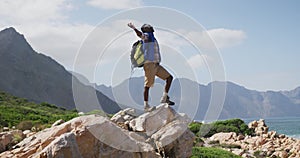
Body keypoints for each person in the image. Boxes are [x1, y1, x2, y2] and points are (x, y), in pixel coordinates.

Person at [128, 22, 175, 111]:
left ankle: (164, 98)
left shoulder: (153, 38)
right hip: (149, 64)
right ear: (145, 30)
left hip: (156, 64)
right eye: (148, 27)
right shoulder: (147, 36)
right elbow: (141, 35)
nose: (150, 27)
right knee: (147, 85)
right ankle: (146, 106)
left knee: (169, 78)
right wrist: (134, 28)